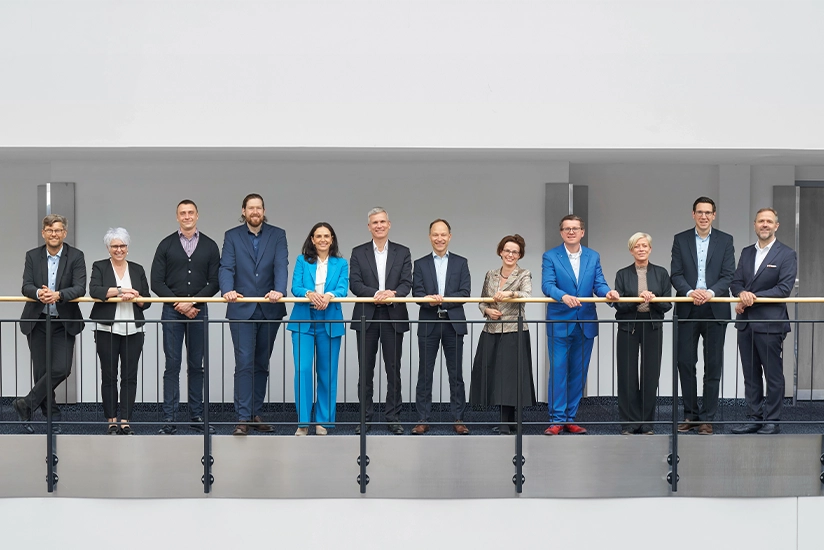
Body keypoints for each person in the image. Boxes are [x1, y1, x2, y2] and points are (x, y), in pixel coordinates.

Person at [542, 215, 619, 435]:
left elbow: (599, 284)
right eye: (567, 228)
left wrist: (608, 293)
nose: (571, 232)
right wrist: (562, 296)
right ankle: (556, 419)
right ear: (561, 232)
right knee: (558, 371)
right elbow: (547, 285)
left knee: (578, 373)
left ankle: (569, 418)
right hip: (559, 322)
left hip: (585, 322)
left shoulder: (593, 256)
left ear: (582, 232)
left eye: (575, 228)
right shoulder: (551, 256)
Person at [220, 193, 288, 436]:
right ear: (244, 211)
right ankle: (242, 417)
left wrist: (280, 290)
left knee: (262, 363)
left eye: (259, 208)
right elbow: (226, 267)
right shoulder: (232, 236)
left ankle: (254, 413)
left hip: (270, 308)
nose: (255, 212)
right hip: (241, 308)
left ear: (263, 210)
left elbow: (281, 265)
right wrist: (227, 290)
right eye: (251, 208)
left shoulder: (277, 234)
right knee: (244, 363)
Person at [151, 199, 221, 435]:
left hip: (199, 311)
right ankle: (169, 417)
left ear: (197, 215)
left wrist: (193, 302)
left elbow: (215, 282)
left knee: (196, 365)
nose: (187, 216)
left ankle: (196, 415)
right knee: (172, 365)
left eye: (191, 212)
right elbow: (156, 282)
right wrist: (179, 304)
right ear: (177, 216)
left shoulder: (210, 246)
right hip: (172, 312)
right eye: (183, 213)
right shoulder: (166, 245)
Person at [13, 214, 86, 434]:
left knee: (61, 368)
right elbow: (26, 285)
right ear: (43, 233)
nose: (54, 234)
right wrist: (38, 293)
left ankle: (26, 403)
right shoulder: (32, 256)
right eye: (49, 230)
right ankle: (51, 417)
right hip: (37, 320)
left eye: (58, 230)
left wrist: (58, 295)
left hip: (63, 321)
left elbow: (80, 287)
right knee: (42, 372)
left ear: (64, 232)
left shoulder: (76, 256)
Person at [670, 197, 735, 435]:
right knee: (685, 363)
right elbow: (675, 274)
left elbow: (729, 275)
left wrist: (708, 292)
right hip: (687, 307)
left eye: (708, 212)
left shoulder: (725, 240)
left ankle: (707, 418)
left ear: (714, 215)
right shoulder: (681, 239)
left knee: (713, 364)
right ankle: (691, 414)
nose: (704, 216)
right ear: (693, 214)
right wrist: (690, 292)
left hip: (715, 307)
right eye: (700, 212)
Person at [730, 208, 797, 435]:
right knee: (750, 375)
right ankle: (754, 418)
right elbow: (736, 282)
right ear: (755, 225)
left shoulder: (786, 254)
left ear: (776, 226)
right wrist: (742, 294)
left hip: (770, 324)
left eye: (769, 221)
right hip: (746, 323)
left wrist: (750, 299)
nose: (765, 225)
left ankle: (773, 420)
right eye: (761, 221)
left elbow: (784, 289)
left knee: (773, 375)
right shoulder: (747, 252)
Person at [349, 207, 412, 435]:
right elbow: (354, 284)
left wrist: (392, 294)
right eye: (374, 222)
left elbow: (407, 283)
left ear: (389, 224)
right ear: (369, 227)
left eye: (382, 221)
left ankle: (393, 417)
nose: (379, 225)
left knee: (393, 370)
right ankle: (364, 419)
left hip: (393, 315)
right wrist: (377, 293)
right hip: (367, 316)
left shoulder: (403, 252)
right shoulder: (358, 252)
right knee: (366, 371)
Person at [469, 234, 535, 435]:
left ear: (520, 255)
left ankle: (508, 423)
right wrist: (487, 311)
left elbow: (527, 295)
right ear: (500, 252)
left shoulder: (523, 274)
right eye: (507, 250)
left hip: (514, 332)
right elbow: (483, 300)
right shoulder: (491, 274)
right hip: (492, 330)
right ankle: (505, 421)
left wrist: (509, 294)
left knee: (509, 378)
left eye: (515, 252)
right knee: (494, 376)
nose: (510, 254)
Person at [287, 222, 349, 436]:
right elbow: (295, 287)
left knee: (327, 373)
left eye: (327, 236)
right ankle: (303, 422)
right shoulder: (302, 261)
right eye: (318, 236)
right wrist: (309, 293)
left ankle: (323, 422)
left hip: (330, 319)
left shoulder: (341, 263)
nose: (323, 239)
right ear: (312, 240)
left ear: (332, 239)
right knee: (302, 370)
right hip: (304, 317)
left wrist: (329, 296)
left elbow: (342, 288)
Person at [411, 219, 471, 435]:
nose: (439, 238)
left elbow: (465, 293)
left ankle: (458, 418)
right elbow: (417, 294)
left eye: (443, 234)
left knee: (456, 374)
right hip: (428, 322)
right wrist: (430, 301)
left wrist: (441, 300)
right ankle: (423, 419)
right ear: (430, 237)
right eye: (435, 234)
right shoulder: (420, 264)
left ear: (450, 236)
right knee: (424, 373)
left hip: (453, 324)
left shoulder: (461, 263)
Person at [89, 228, 151, 435]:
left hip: (133, 329)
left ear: (127, 248)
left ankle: (125, 419)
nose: (119, 249)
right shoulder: (99, 266)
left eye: (122, 245)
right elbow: (95, 291)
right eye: (115, 246)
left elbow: (146, 300)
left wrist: (136, 297)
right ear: (108, 248)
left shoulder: (137, 268)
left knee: (129, 376)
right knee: (108, 375)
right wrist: (122, 290)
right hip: (107, 328)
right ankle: (111, 420)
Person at [613, 233, 672, 435]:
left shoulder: (661, 273)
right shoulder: (622, 274)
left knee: (650, 374)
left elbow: (667, 305)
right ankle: (629, 423)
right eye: (636, 246)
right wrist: (638, 299)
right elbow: (618, 307)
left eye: (644, 245)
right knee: (627, 374)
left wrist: (653, 299)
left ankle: (647, 423)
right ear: (631, 250)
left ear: (650, 249)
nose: (641, 249)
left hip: (653, 326)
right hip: (628, 326)